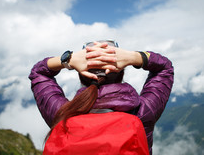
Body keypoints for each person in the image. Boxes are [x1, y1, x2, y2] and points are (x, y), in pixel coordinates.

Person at [29, 40, 174, 154]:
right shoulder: (142, 113)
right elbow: (165, 68)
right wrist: (134, 57)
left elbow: (38, 73)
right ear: (121, 71)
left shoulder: (63, 113)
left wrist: (67, 60)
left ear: (81, 74)